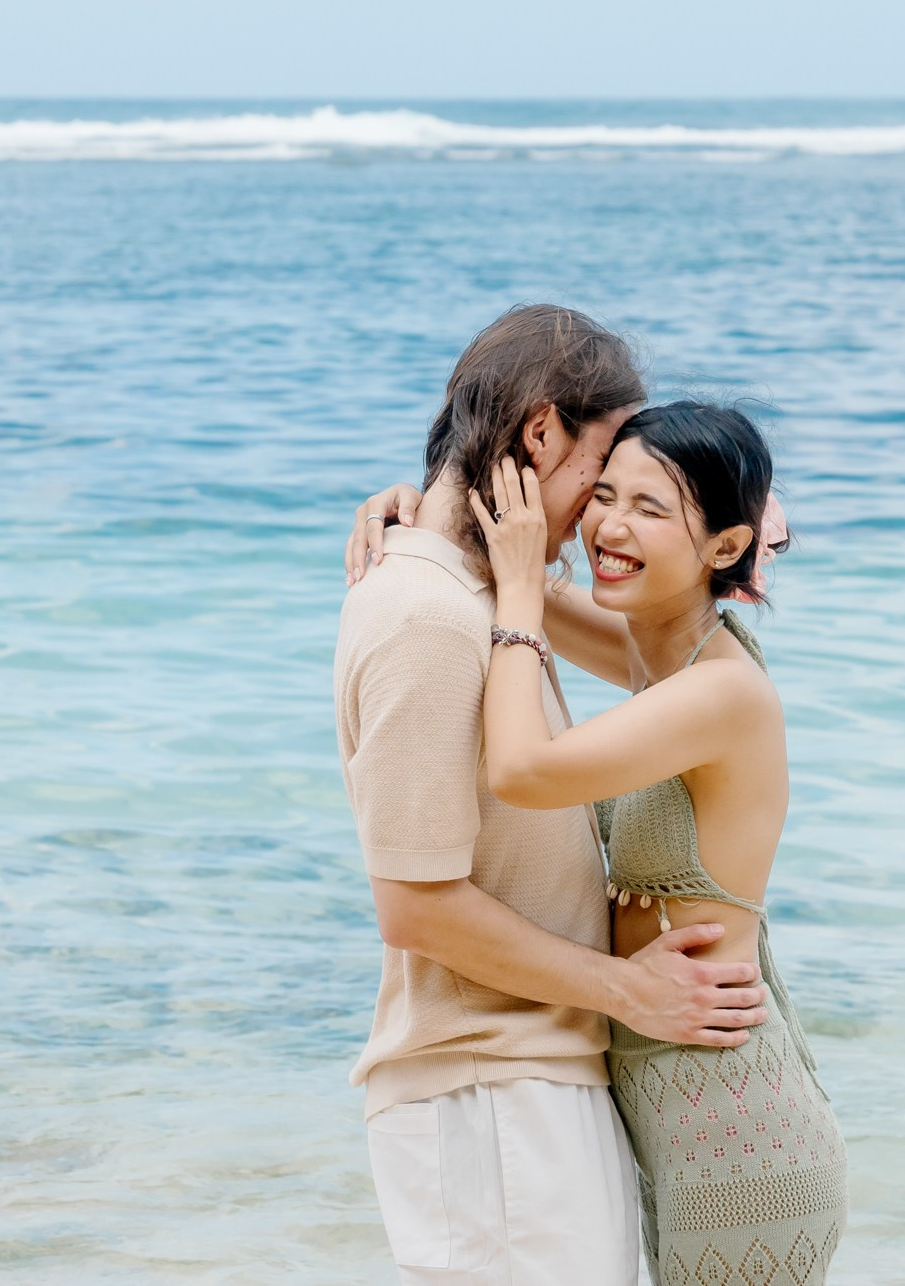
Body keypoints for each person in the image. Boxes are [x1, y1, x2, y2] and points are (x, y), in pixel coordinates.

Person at [352, 401, 846, 1283]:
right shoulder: (660, 654)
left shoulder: (719, 693)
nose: (610, 527)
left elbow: (523, 769)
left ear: (726, 547)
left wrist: (513, 606)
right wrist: (419, 511)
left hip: (732, 1122)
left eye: (652, 510)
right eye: (604, 494)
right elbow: (501, 566)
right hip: (668, 1107)